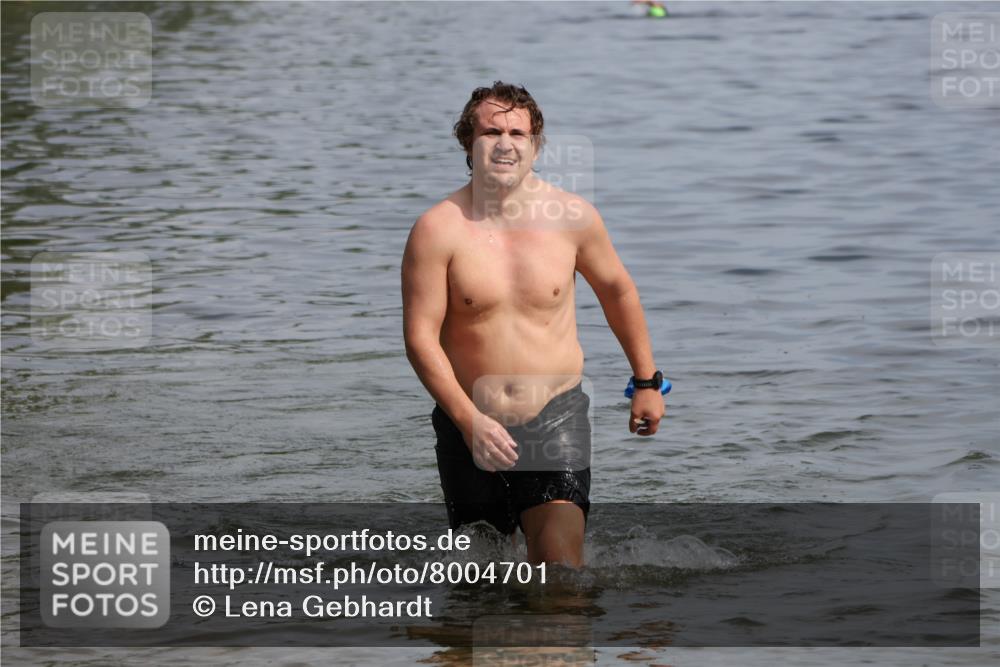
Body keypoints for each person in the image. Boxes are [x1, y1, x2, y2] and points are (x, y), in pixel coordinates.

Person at [402, 82, 664, 567]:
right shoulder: (438, 229)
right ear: (468, 141)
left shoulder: (573, 219)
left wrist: (647, 382)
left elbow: (618, 292)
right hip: (469, 420)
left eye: (518, 133)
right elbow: (420, 337)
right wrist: (468, 421)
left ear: (536, 144)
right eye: (491, 131)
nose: (505, 143)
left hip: (555, 415)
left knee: (560, 575)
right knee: (482, 581)